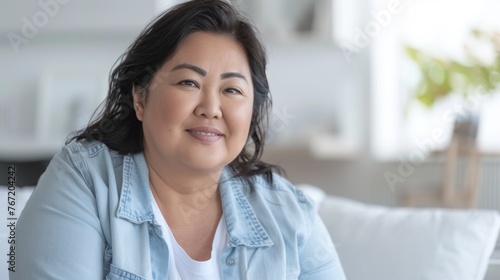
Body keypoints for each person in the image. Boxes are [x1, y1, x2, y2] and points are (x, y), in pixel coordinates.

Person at [11, 0, 346, 279]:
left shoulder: (287, 210)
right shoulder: (84, 179)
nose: (211, 108)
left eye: (232, 90)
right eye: (188, 83)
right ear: (140, 98)